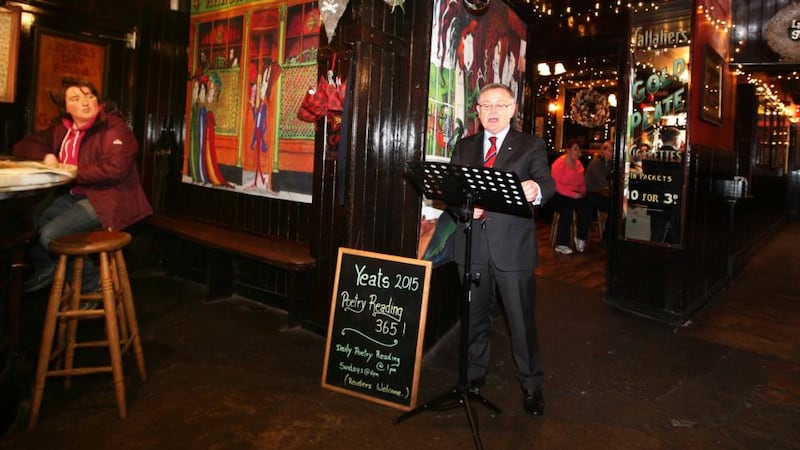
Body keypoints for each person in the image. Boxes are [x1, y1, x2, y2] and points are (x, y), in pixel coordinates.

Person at [450, 83, 555, 417]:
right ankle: (473, 376)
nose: (492, 112)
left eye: (500, 105)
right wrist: (465, 209)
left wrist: (535, 188)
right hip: (472, 247)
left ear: (512, 109)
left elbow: (548, 183)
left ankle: (530, 385)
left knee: (521, 323)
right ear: (477, 112)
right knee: (475, 318)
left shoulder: (530, 144)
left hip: (513, 250)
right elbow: (452, 192)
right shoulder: (464, 146)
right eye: (485, 106)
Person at [13, 77, 153, 293]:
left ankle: (92, 285)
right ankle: (48, 266)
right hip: (77, 196)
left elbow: (116, 168)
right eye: (76, 98)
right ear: (66, 107)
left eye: (89, 96)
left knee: (49, 235)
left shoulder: (114, 127)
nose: (85, 102)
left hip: (108, 198)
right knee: (26, 226)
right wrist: (46, 155)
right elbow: (23, 146)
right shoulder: (62, 129)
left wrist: (73, 171)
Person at [549, 139, 593, 254]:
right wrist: (573, 195)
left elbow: (582, 182)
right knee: (567, 211)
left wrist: (582, 192)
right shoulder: (559, 164)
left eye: (579, 150)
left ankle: (580, 238)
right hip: (558, 195)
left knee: (587, 207)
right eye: (575, 149)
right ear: (568, 150)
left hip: (574, 195)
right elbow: (556, 185)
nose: (578, 152)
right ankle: (561, 244)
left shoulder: (578, 164)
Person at [584, 140, 613, 243]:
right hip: (591, 194)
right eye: (610, 151)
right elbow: (602, 184)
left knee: (616, 209)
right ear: (603, 151)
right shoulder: (597, 162)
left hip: (600, 194)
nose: (612, 153)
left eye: (613, 151)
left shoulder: (609, 163)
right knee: (614, 209)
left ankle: (608, 238)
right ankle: (607, 239)